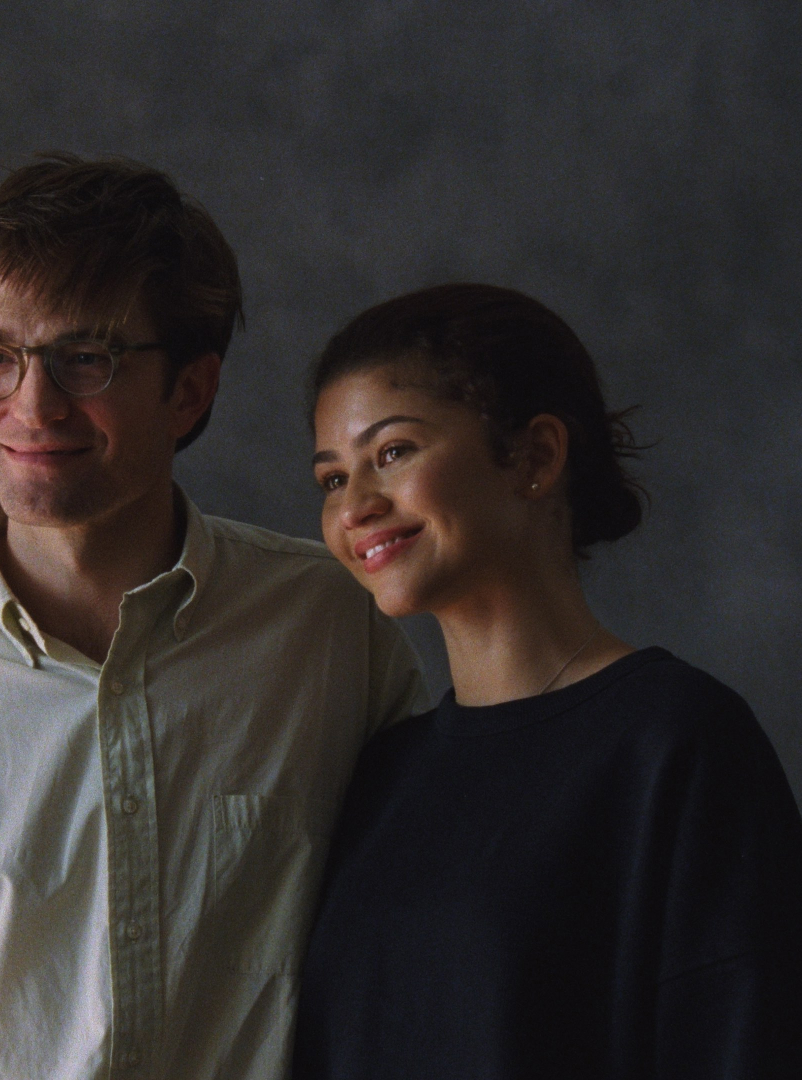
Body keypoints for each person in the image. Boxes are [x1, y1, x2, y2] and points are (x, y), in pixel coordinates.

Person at [0, 154, 428, 1079]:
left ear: (191, 389)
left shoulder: (329, 630)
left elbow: (418, 958)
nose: (32, 405)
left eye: (83, 358)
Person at [292, 283, 802, 1078]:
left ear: (535, 455)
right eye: (331, 478)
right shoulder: (382, 773)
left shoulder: (677, 744)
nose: (354, 506)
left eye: (392, 453)